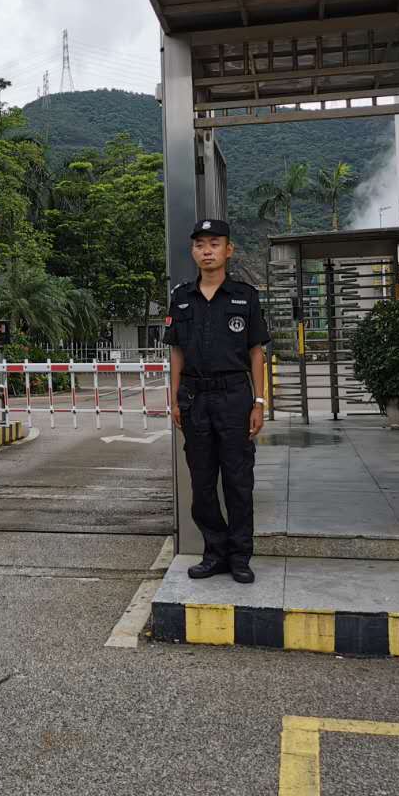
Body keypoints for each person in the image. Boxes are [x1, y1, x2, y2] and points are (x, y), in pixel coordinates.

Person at [165, 219, 270, 583]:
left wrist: (259, 402)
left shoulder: (245, 296)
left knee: (238, 481)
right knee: (202, 482)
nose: (206, 251)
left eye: (214, 243)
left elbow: (256, 352)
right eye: (200, 245)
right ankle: (215, 552)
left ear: (228, 250)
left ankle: (240, 557)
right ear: (192, 251)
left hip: (234, 397)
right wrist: (175, 399)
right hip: (194, 398)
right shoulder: (181, 297)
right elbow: (176, 352)